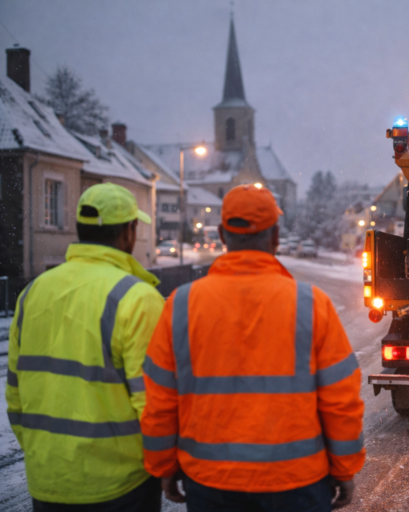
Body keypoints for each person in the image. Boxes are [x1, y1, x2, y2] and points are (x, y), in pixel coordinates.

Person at [141, 184, 365, 512]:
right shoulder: (311, 305)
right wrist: (344, 469)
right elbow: (340, 400)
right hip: (296, 481)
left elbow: (159, 398)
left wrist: (163, 466)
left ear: (222, 234)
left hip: (211, 482)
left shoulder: (181, 305)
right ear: (275, 236)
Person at [5, 183, 166, 511]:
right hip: (121, 484)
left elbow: (16, 394)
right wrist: (165, 466)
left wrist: (44, 455)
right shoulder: (137, 298)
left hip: (48, 480)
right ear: (129, 231)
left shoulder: (33, 292)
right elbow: (152, 404)